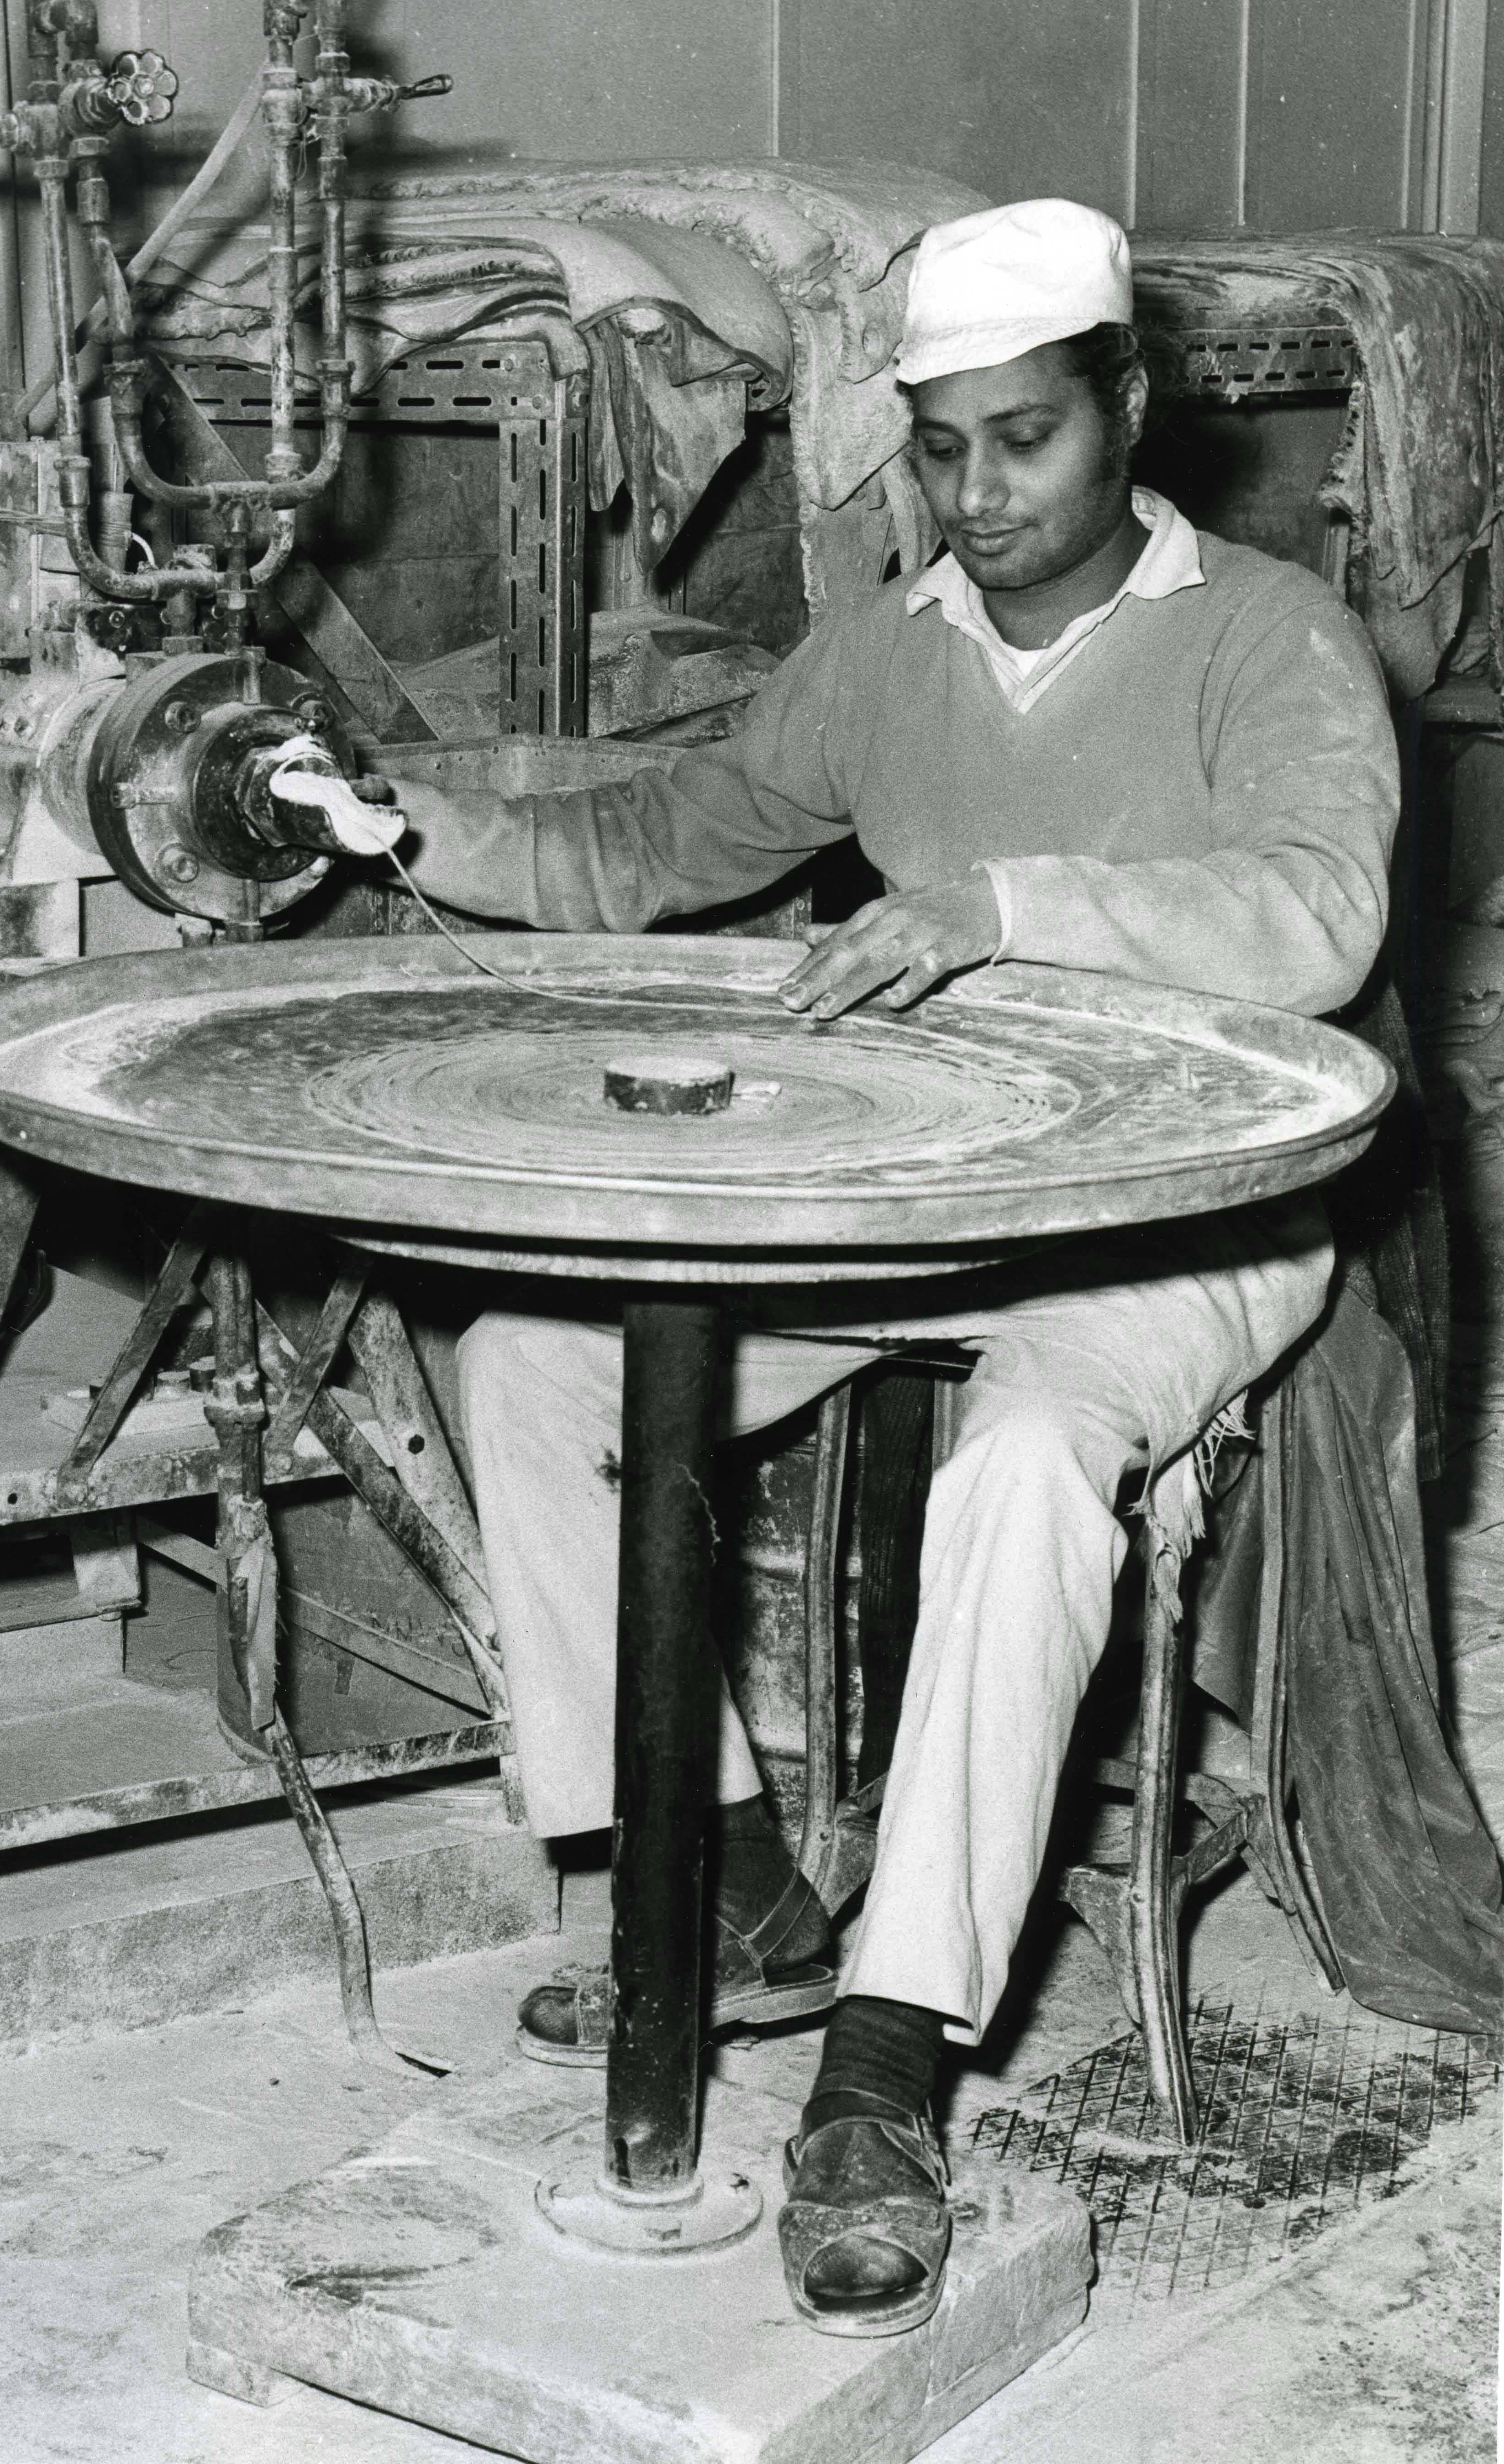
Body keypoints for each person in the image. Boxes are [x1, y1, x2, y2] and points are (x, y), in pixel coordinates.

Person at [379, 198, 1400, 2337]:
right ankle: (734, 1888)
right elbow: (654, 848)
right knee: (534, 1361)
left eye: (1024, 439)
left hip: (1186, 1210)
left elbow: (1316, 919)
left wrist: (1011, 903)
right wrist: (386, 826)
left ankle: (883, 2056)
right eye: (940, 447)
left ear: (1131, 409)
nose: (978, 495)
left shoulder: (1270, 637)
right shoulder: (887, 650)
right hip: (931, 1198)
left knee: (1026, 1459)